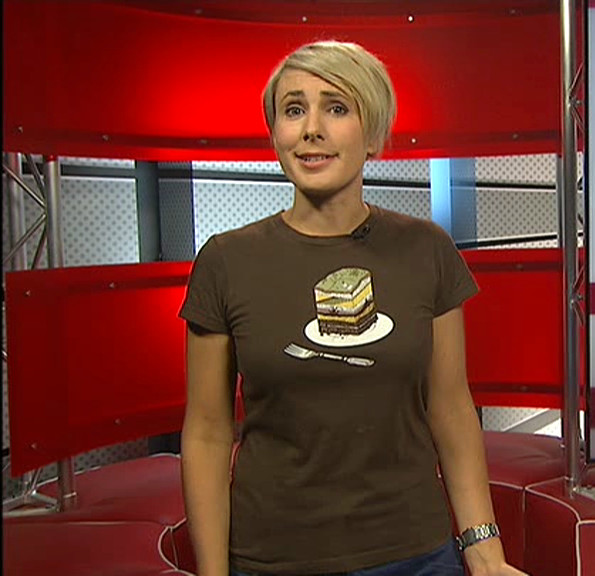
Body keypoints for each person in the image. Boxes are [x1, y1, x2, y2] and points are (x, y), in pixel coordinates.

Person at [179, 40, 527, 576]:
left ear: (373, 135)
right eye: (294, 109)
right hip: (273, 560)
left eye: (337, 108)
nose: (311, 129)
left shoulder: (427, 249)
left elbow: (451, 407)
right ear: (276, 133)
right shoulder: (226, 261)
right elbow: (206, 431)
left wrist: (484, 549)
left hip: (416, 554)